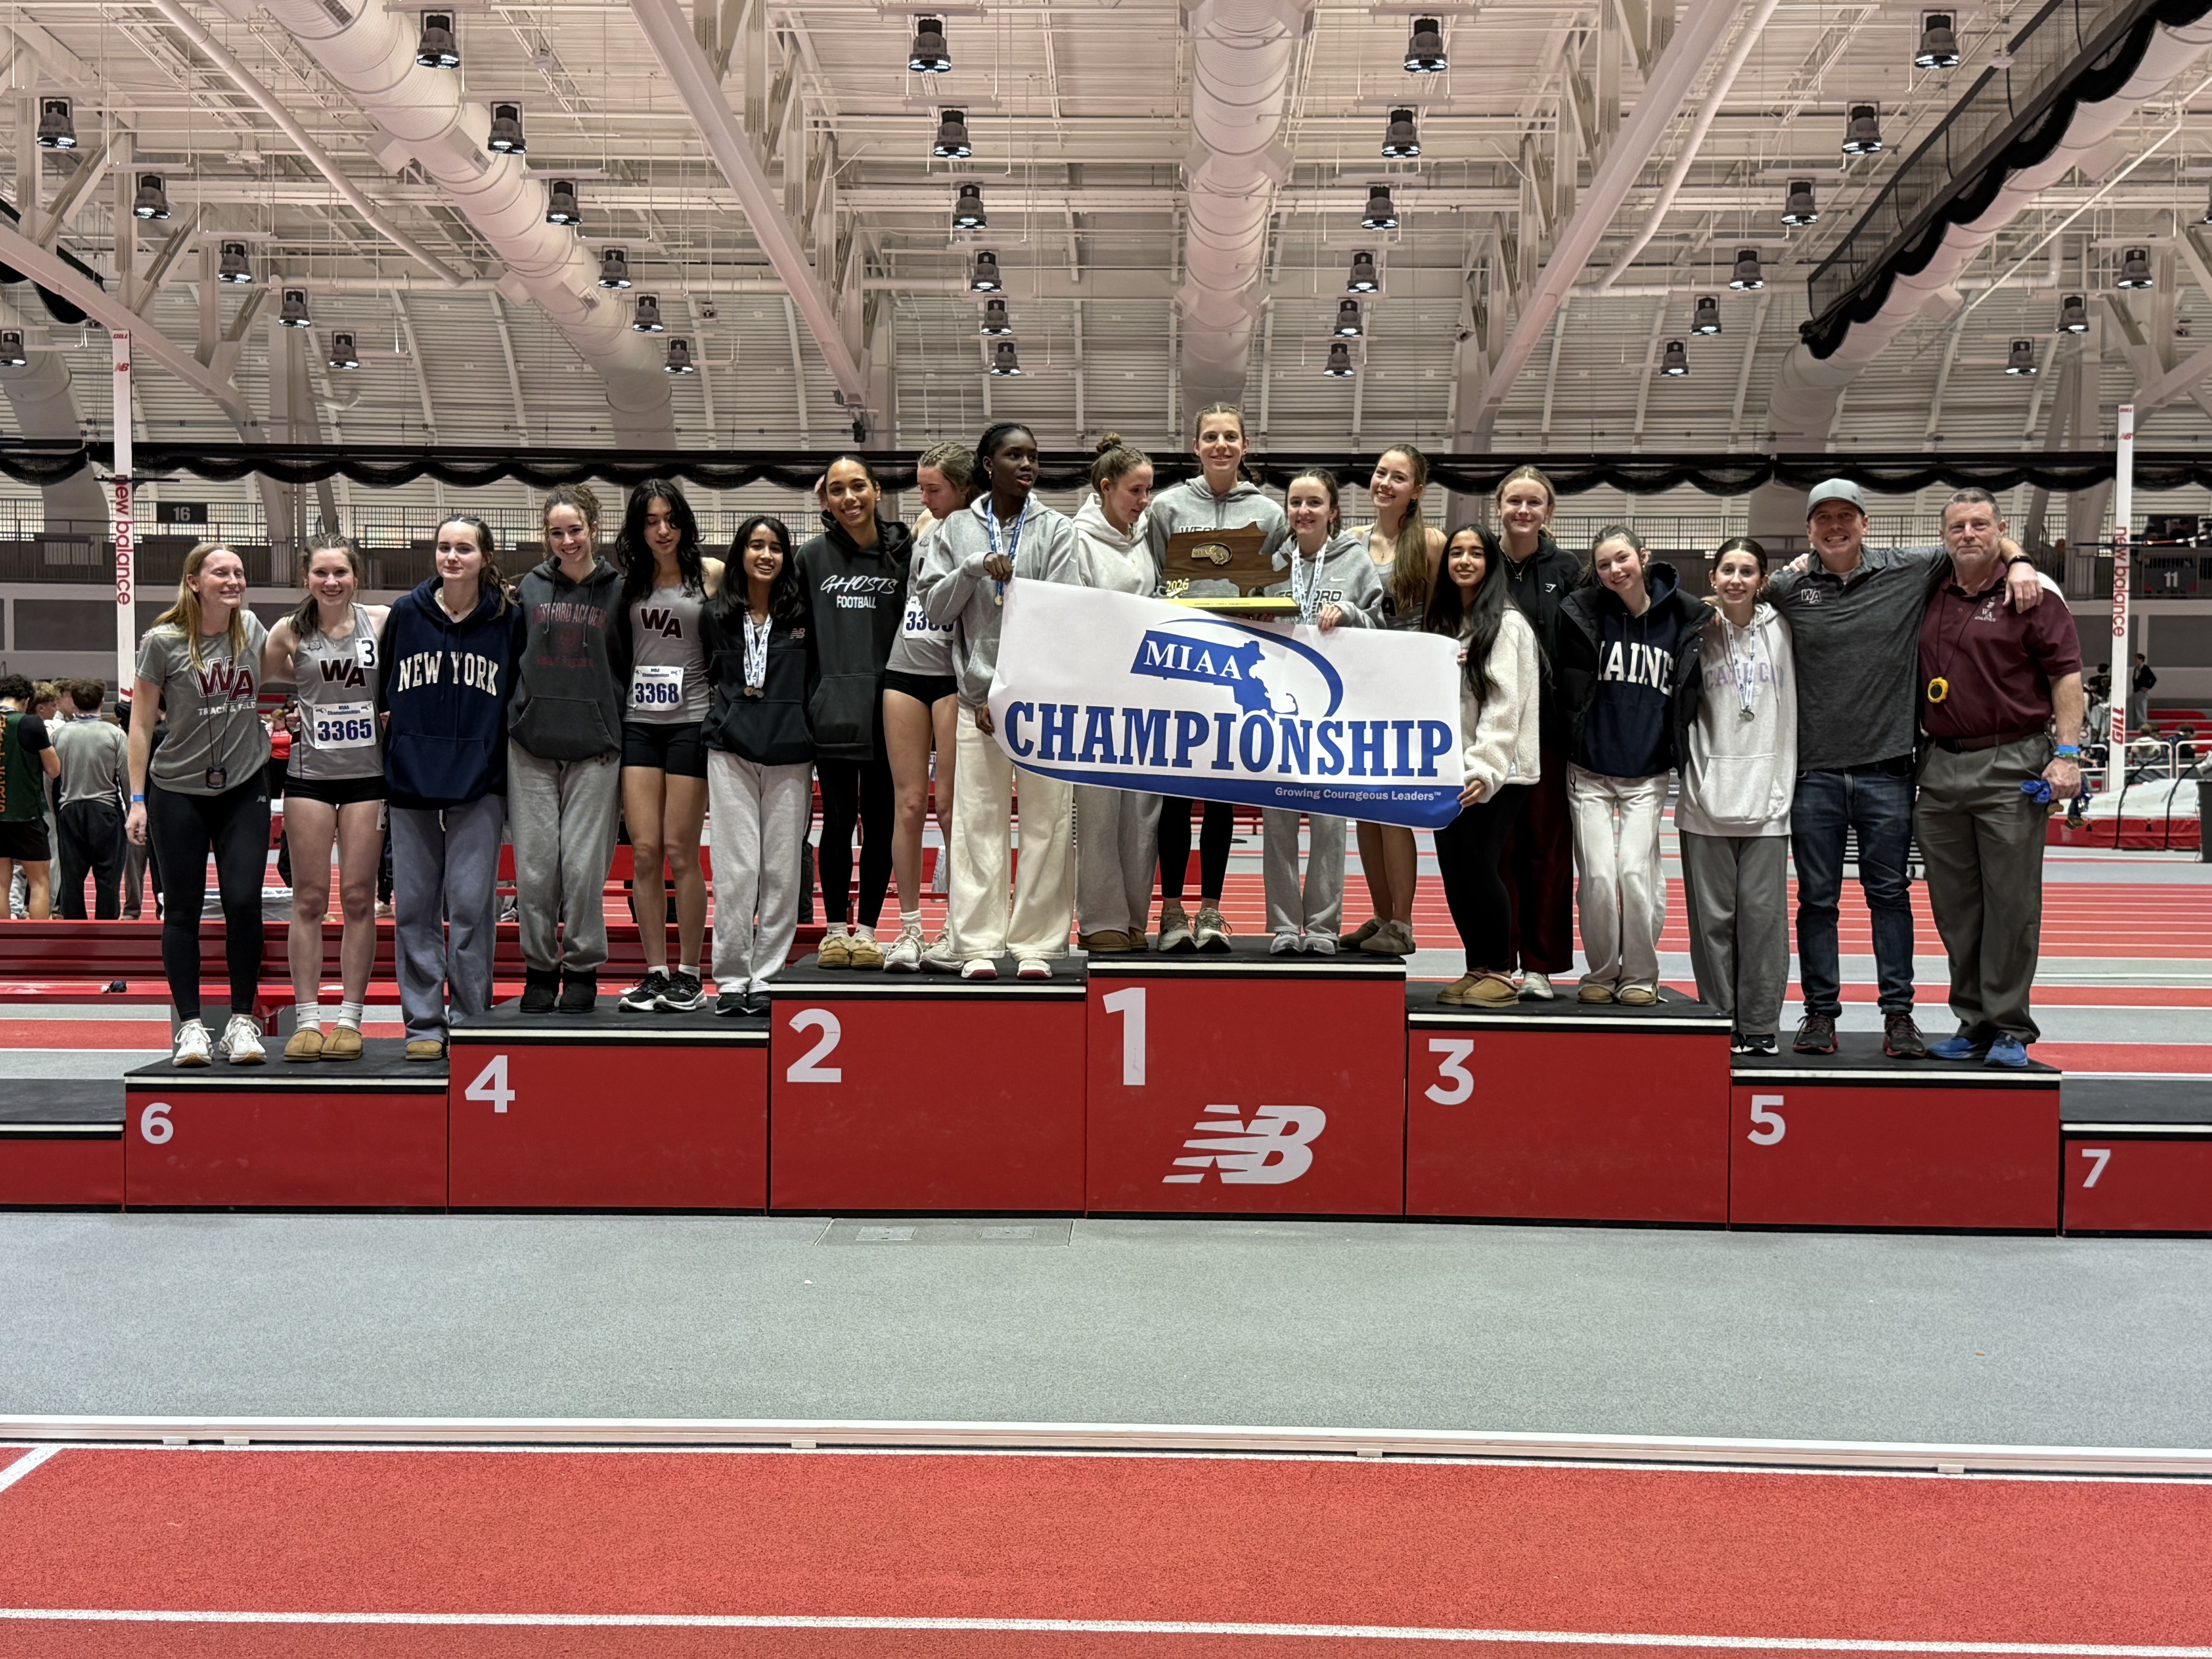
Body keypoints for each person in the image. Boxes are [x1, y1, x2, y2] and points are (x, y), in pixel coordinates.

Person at [1762, 478, 2041, 1057]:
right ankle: (1819, 1015)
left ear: (1865, 522)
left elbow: (1978, 542)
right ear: (1810, 528)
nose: (1835, 527)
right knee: (1817, 901)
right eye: (1823, 519)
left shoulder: (1911, 569)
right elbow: (1739, 603)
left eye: (1846, 516)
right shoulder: (1789, 587)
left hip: (1889, 773)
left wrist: (2021, 563)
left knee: (1889, 897)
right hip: (1813, 775)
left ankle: (1899, 1016)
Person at [1915, 489, 2084, 1068]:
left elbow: (2066, 675)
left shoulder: (2031, 594)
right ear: (1943, 536)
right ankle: (1974, 1021)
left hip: (2011, 760)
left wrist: (2067, 755)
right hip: (1939, 764)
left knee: (2010, 904)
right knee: (1956, 907)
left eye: (1981, 525)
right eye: (1958, 525)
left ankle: (2011, 1026)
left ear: (2000, 529)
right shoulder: (1927, 588)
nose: (1969, 534)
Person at [917, 421, 1082, 979]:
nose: (1027, 465)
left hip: (1039, 700)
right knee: (977, 823)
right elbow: (937, 610)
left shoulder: (1058, 530)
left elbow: (1061, 616)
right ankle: (979, 945)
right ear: (988, 464)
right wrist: (970, 569)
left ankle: (1038, 943)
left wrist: (1012, 690)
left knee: (1047, 821)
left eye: (1033, 456)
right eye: (1015, 456)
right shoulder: (957, 529)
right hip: (974, 702)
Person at [377, 516, 524, 1062]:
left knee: (470, 907)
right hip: (412, 781)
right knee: (414, 907)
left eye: (464, 548)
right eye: (444, 547)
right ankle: (423, 1024)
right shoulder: (405, 615)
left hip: (480, 782)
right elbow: (379, 696)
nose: (452, 557)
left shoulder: (508, 620)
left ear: (485, 557)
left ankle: (469, 1017)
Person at [1144, 402, 1288, 953]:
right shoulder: (1168, 507)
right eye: (1212, 437)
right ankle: (1173, 911)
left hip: (1239, 668)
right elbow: (1156, 580)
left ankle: (1212, 911)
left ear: (1245, 446)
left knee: (1223, 796)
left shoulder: (1270, 514)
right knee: (1176, 794)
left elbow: (1277, 588)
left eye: (1231, 437)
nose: (1222, 445)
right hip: (1182, 664)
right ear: (1196, 446)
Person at [125, 543, 272, 1065]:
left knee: (242, 902)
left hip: (244, 786)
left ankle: (241, 1023)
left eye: (239, 573)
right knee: (182, 910)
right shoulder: (163, 642)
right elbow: (141, 725)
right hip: (176, 789)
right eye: (221, 573)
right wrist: (138, 798)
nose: (234, 581)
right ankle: (190, 1027)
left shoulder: (252, 629)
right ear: (194, 582)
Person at [1556, 527, 1707, 1006]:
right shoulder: (1582, 612)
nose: (1615, 571)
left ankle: (1641, 972)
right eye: (1604, 565)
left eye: (1622, 559)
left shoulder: (1684, 617)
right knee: (1599, 876)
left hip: (1647, 773)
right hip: (1589, 772)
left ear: (1643, 557)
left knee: (1636, 875)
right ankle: (1602, 971)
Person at [261, 539, 389, 1060]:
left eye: (340, 572)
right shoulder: (287, 631)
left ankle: (351, 1018)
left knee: (360, 900)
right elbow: (252, 683)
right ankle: (309, 1018)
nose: (331, 581)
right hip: (309, 776)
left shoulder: (381, 621)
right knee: (309, 900)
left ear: (356, 577)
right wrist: (281, 718)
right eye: (320, 573)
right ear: (306, 578)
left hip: (368, 778)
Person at [508, 483, 628, 1015]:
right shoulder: (528, 590)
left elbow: (628, 665)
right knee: (536, 870)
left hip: (596, 749)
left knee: (582, 871)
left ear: (594, 529)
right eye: (556, 533)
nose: (566, 541)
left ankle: (581, 969)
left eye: (575, 530)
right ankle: (538, 970)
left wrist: (615, 727)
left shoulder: (620, 591)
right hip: (532, 746)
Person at [1675, 537, 1796, 1055]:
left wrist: (1781, 789)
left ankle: (1762, 1024)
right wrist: (1693, 782)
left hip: (1769, 801)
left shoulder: (1785, 630)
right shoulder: (1694, 633)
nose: (1737, 579)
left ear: (1763, 581)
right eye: (1728, 569)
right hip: (1706, 801)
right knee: (1712, 925)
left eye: (1748, 571)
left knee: (1763, 922)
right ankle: (1719, 1019)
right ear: (1713, 578)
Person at [1256, 467, 1382, 953]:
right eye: (1295, 503)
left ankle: (1325, 928)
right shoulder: (1270, 563)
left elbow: (1379, 625)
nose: (1303, 512)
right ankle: (1287, 927)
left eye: (1314, 503)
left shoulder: (1356, 562)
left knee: (1330, 826)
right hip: (1277, 711)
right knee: (1278, 825)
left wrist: (1350, 614)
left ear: (1333, 511)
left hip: (1335, 714)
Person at [798, 455, 914, 969]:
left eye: (859, 487)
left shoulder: (904, 556)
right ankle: (836, 930)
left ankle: (868, 931)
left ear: (876, 491)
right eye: (838, 490)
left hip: (894, 715)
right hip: (835, 715)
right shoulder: (809, 559)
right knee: (838, 822)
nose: (850, 498)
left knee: (883, 821)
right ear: (827, 499)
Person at [612, 480, 719, 1013]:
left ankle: (691, 973)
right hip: (639, 723)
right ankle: (655, 970)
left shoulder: (712, 577)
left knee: (681, 852)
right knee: (646, 852)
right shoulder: (628, 584)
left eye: (670, 519)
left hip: (691, 723)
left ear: (684, 523)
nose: (662, 530)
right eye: (651, 521)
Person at [702, 515, 814, 1016]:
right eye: (755, 546)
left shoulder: (803, 615)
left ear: (786, 557)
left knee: (781, 872)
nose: (765, 555)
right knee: (736, 870)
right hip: (730, 753)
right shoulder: (716, 616)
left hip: (791, 753)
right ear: (739, 555)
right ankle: (730, 978)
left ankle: (767, 975)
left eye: (775, 547)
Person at [1424, 528, 1541, 1005]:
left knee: (1477, 866)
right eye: (1456, 553)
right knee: (1454, 871)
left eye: (1476, 553)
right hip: (1452, 771)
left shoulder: (1507, 625)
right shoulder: (1450, 623)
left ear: (1492, 563)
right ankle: (1477, 967)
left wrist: (1484, 769)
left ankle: (1502, 970)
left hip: (1498, 774)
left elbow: (1505, 706)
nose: (1465, 561)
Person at [1340, 445, 1446, 960]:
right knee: (1363, 808)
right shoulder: (1352, 542)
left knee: (1392, 810)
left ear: (1417, 490)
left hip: (1404, 689)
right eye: (1381, 473)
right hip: (1359, 688)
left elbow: (1441, 619)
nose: (1384, 482)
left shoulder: (1430, 544)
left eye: (1398, 477)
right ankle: (1382, 914)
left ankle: (1403, 922)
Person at [1488, 464, 1578, 999]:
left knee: (1545, 850)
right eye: (1514, 501)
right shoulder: (1478, 559)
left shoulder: (1566, 569)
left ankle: (1539, 965)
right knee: (1497, 852)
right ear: (1498, 505)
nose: (1523, 511)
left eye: (1534, 503)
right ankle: (1497, 960)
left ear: (1549, 512)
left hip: (1547, 732)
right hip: (1492, 731)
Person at [881, 442, 971, 972]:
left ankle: (954, 928)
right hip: (904, 670)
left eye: (934, 487)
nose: (925, 496)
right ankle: (910, 929)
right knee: (910, 806)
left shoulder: (980, 530)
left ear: (962, 487)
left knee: (950, 808)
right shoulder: (921, 526)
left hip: (952, 677)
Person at [1071, 434, 1160, 955]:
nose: (1144, 501)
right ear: (1106, 488)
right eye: (1135, 491)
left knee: (1141, 814)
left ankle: (1135, 916)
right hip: (1097, 692)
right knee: (1100, 811)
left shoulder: (1145, 536)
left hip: (1147, 690)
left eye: (1149, 491)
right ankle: (1100, 916)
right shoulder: (1076, 539)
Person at [51, 680, 128, 921]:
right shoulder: (115, 734)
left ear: (74, 703)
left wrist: (57, 813)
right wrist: (135, 807)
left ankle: (75, 932)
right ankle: (107, 930)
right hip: (105, 810)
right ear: (102, 703)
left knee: (72, 879)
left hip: (70, 809)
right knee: (108, 877)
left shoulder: (59, 735)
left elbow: (50, 780)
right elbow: (126, 777)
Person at [0, 673, 60, 922]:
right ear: (26, 701)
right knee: (39, 882)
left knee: (1, 883)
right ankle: (37, 943)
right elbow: (54, 770)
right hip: (25, 812)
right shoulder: (31, 725)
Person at [2128, 651, 2156, 735]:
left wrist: (2148, 688)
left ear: (2141, 660)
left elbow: (2153, 679)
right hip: (2137, 691)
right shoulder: (2137, 669)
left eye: (2137, 659)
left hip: (2142, 692)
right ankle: (2137, 725)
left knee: (2142, 709)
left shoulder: (2145, 669)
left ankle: (2143, 725)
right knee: (2136, 709)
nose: (2135, 661)